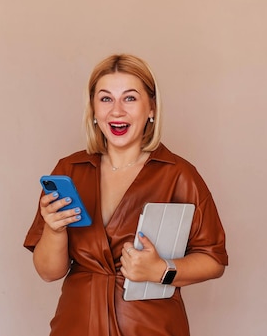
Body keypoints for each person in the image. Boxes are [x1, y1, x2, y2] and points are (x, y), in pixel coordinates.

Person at [24, 54, 228, 336]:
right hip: (76, 325)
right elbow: (49, 272)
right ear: (93, 109)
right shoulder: (69, 170)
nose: (116, 111)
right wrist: (54, 229)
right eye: (106, 99)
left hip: (151, 328)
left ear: (151, 107)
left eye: (130, 98)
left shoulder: (179, 174)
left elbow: (214, 260)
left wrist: (161, 270)